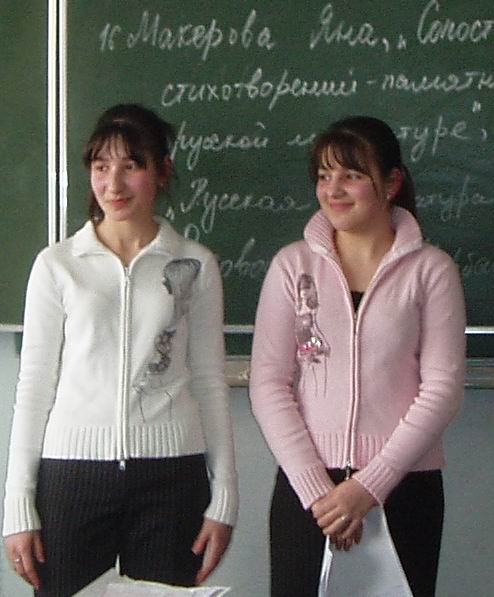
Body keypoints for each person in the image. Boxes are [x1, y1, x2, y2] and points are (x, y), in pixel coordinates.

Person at [3, 104, 238, 596]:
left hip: (172, 475)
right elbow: (35, 384)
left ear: (162, 171)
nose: (113, 184)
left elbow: (210, 381)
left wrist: (225, 497)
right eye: (101, 166)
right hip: (71, 476)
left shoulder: (195, 263)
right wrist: (18, 503)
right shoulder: (58, 265)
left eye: (131, 166)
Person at [249, 116, 466, 597]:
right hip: (308, 491)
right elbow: (268, 383)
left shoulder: (431, 271)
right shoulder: (292, 266)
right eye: (324, 176)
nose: (334, 190)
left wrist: (370, 486)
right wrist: (316, 491)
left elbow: (443, 389)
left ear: (391, 182)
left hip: (404, 486)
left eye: (351, 175)